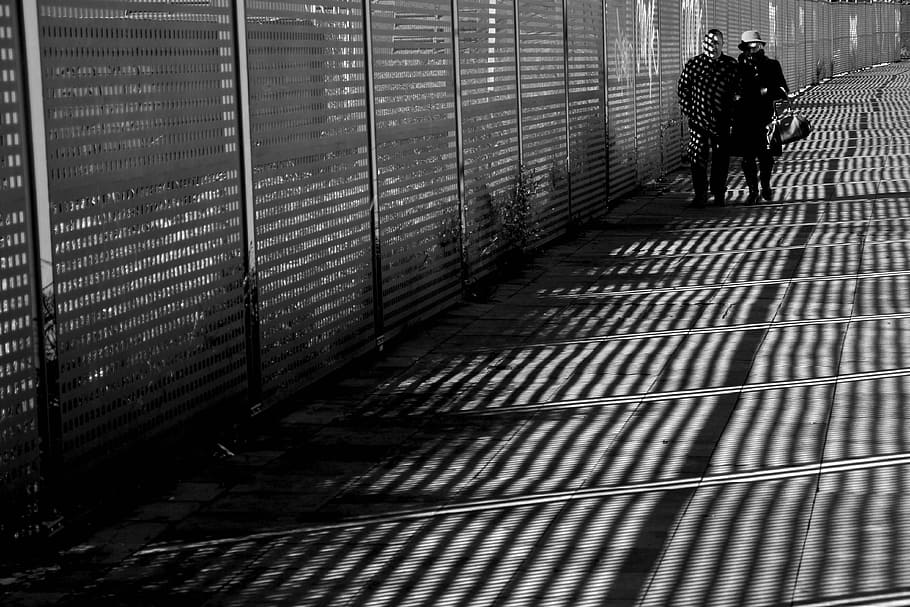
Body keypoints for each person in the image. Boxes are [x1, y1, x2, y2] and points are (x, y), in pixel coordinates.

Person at [677, 29, 741, 207]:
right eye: (709, 43)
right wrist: (689, 111)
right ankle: (700, 195)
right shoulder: (694, 65)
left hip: (722, 121)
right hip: (698, 121)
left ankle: (719, 193)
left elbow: (739, 90)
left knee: (721, 158)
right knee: (697, 157)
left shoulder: (730, 65)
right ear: (703, 44)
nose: (712, 47)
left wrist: (733, 114)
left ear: (722, 45)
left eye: (716, 43)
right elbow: (683, 89)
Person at [732, 30, 789, 203]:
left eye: (756, 45)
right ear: (743, 48)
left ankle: (765, 185)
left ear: (762, 46)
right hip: (744, 118)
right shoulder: (738, 67)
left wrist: (766, 91)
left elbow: (783, 91)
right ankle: (752, 191)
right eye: (748, 46)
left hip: (766, 118)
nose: (752, 49)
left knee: (766, 156)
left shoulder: (772, 65)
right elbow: (732, 89)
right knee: (747, 157)